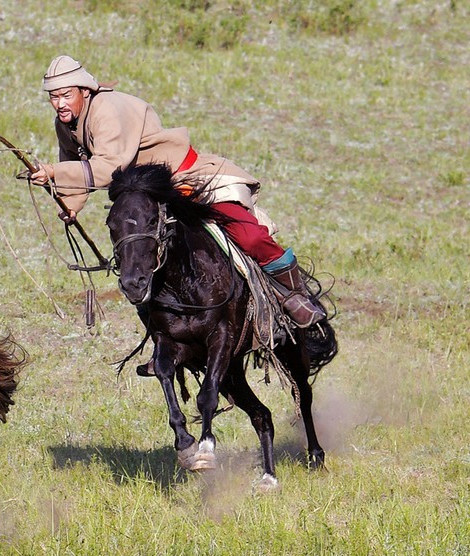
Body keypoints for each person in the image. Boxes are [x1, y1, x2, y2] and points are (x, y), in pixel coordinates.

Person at [28, 55, 326, 344]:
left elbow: (109, 167)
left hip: (185, 178)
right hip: (147, 193)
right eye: (54, 97)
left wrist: (53, 172)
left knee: (247, 234)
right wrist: (70, 205)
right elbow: (76, 167)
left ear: (84, 91)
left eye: (66, 95)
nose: (60, 104)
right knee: (138, 255)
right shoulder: (65, 124)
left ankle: (294, 296)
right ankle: (164, 339)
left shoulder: (106, 109)